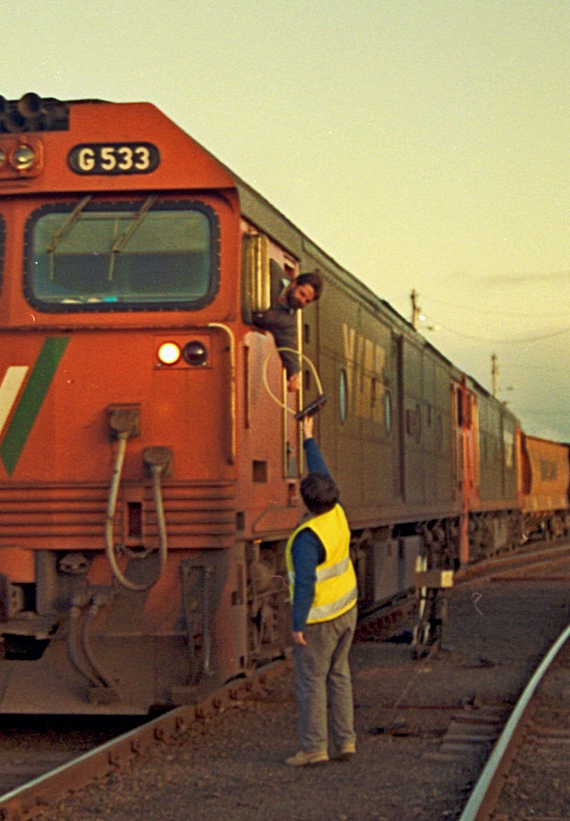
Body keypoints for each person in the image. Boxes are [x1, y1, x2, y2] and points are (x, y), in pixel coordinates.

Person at [284, 413, 358, 766]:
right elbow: (322, 473)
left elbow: (305, 587)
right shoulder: (337, 512)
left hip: (319, 618)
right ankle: (346, 742)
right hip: (347, 611)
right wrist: (310, 439)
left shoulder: (306, 539)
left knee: (311, 681)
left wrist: (297, 625)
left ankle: (314, 748)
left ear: (304, 500)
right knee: (339, 675)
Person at [252, 263, 322, 393]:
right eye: (302, 294)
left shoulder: (288, 321)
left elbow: (288, 346)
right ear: (294, 283)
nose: (302, 301)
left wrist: (294, 374)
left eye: (307, 301)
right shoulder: (271, 271)